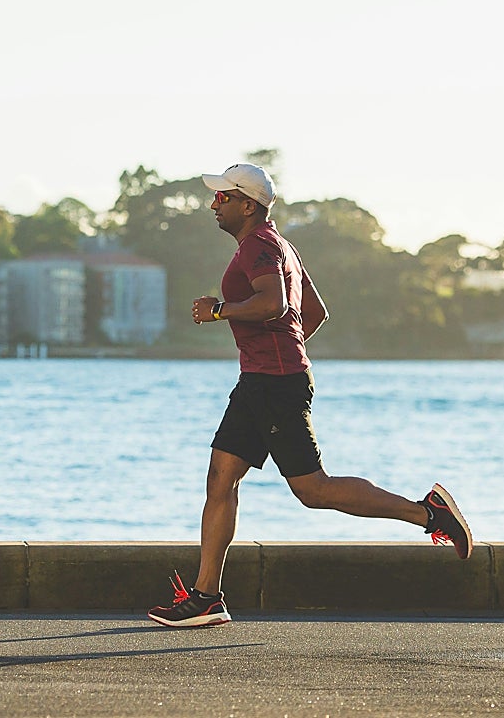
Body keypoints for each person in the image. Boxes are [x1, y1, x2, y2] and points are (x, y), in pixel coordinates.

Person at [147, 162, 472, 628]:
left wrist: (220, 311)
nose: (214, 204)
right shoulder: (280, 247)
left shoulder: (260, 246)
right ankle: (206, 598)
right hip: (262, 380)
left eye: (223, 197)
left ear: (248, 204)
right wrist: (280, 350)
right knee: (221, 478)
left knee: (313, 490)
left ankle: (429, 514)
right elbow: (313, 312)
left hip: (274, 385)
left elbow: (276, 305)